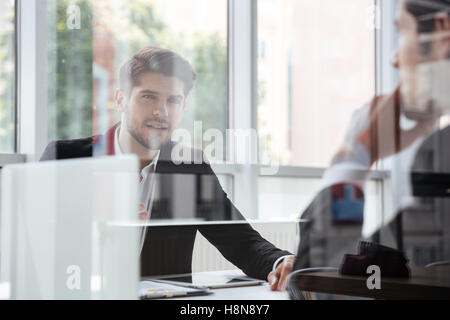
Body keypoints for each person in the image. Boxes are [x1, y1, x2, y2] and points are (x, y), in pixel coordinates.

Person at [40, 46, 295, 289]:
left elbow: (242, 243)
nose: (161, 111)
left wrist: (281, 262)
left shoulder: (188, 167)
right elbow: (32, 245)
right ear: (120, 99)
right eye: (148, 96)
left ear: (183, 107)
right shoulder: (65, 159)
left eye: (173, 100)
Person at [267, 0, 450, 292]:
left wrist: (356, 154)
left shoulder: (441, 155)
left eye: (402, 32)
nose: (394, 59)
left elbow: (322, 287)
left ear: (441, 32)